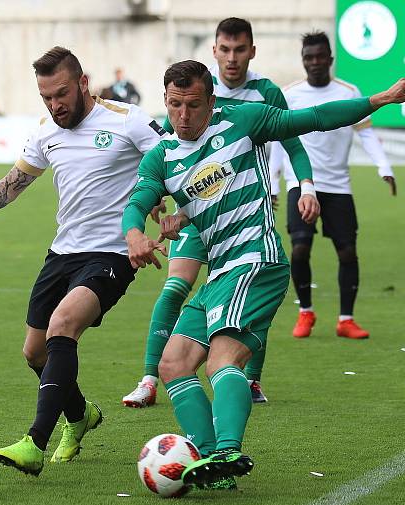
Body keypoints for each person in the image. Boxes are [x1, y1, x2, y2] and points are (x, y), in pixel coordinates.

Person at [123, 60, 405, 488]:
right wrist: (136, 233)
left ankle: (227, 450)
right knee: (174, 364)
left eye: (193, 105)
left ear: (211, 100)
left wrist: (379, 99)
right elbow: (138, 201)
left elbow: (316, 119)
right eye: (175, 105)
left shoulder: (243, 120)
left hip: (256, 260)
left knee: (221, 361)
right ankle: (213, 467)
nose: (184, 116)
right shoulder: (162, 156)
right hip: (221, 273)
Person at [0, 46, 167, 476]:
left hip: (112, 253)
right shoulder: (46, 132)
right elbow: (11, 185)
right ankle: (80, 417)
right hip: (62, 253)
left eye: (61, 94)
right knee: (34, 352)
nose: (55, 105)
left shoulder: (126, 119)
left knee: (63, 325)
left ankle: (34, 442)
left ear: (82, 83)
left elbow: (170, 164)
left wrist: (158, 208)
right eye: (46, 98)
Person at [122, 17, 314, 409]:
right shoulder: (192, 88)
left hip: (241, 209)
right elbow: (170, 146)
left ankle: (250, 378)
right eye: (224, 50)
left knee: (245, 293)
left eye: (239, 49)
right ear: (214, 51)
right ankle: (149, 376)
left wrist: (305, 185)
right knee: (175, 288)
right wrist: (157, 197)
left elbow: (292, 139)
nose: (231, 58)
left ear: (251, 51)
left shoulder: (264, 93)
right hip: (195, 211)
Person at [269, 31, 397, 339]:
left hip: (339, 186)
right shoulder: (290, 94)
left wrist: (384, 166)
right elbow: (279, 139)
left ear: (330, 59)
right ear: (303, 60)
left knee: (347, 253)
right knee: (299, 250)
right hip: (301, 183)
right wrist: (273, 184)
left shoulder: (349, 91)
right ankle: (305, 313)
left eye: (319, 57)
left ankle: (346, 319)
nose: (314, 63)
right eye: (308, 58)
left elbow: (365, 132)